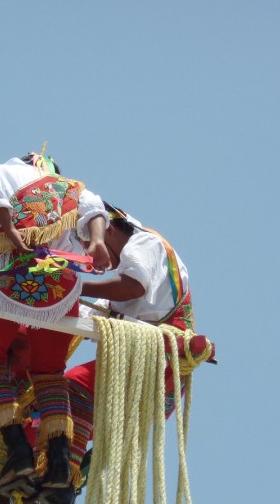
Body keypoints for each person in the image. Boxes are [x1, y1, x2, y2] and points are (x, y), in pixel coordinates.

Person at [0, 151, 110, 488]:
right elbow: (95, 209)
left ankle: (18, 450)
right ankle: (60, 462)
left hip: (14, 277)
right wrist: (97, 242)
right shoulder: (73, 188)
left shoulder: (3, 171)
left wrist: (9, 229)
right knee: (50, 372)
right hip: (61, 288)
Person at [65, 202, 200, 484]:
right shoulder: (130, 282)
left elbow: (133, 286)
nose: (95, 260)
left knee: (70, 389)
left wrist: (74, 287)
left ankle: (62, 476)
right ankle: (61, 480)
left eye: (90, 244)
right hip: (163, 374)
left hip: (155, 360)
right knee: (77, 418)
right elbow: (89, 314)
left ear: (109, 230)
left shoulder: (143, 243)